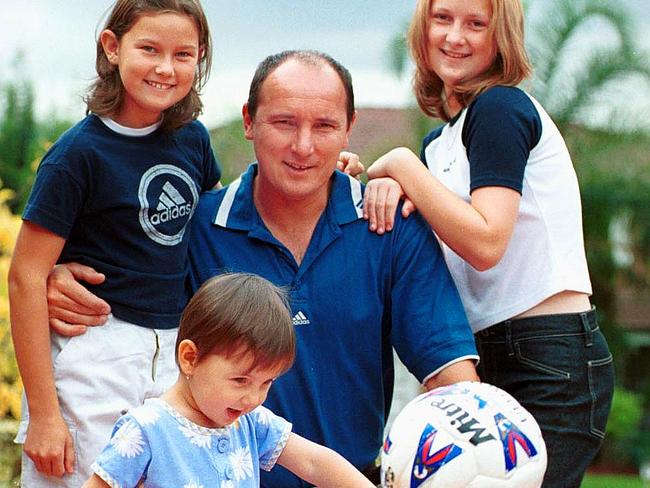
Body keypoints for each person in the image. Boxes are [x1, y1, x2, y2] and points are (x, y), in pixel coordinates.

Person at [46, 49, 480, 487]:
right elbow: (120, 285)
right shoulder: (194, 229)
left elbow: (451, 378)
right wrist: (56, 275)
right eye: (284, 122)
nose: (303, 146)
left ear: (349, 128)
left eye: (325, 126)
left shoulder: (390, 225)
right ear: (249, 121)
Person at [362, 1, 615, 486]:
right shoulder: (438, 144)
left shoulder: (500, 108)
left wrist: (399, 165)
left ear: (502, 37)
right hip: (478, 355)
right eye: (443, 19)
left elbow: (486, 241)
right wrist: (390, 185)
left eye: (476, 24)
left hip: (548, 355)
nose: (456, 36)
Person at [8, 1, 221, 486]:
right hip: (94, 354)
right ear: (112, 47)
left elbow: (213, 219)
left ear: (199, 57)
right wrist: (43, 415)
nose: (166, 68)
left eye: (183, 54)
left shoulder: (193, 140)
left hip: (172, 352)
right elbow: (25, 276)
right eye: (149, 49)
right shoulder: (77, 156)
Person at [82, 273, 375, 488]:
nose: (253, 398)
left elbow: (313, 462)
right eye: (240, 380)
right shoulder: (146, 429)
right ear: (190, 358)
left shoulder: (251, 422)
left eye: (266, 382)